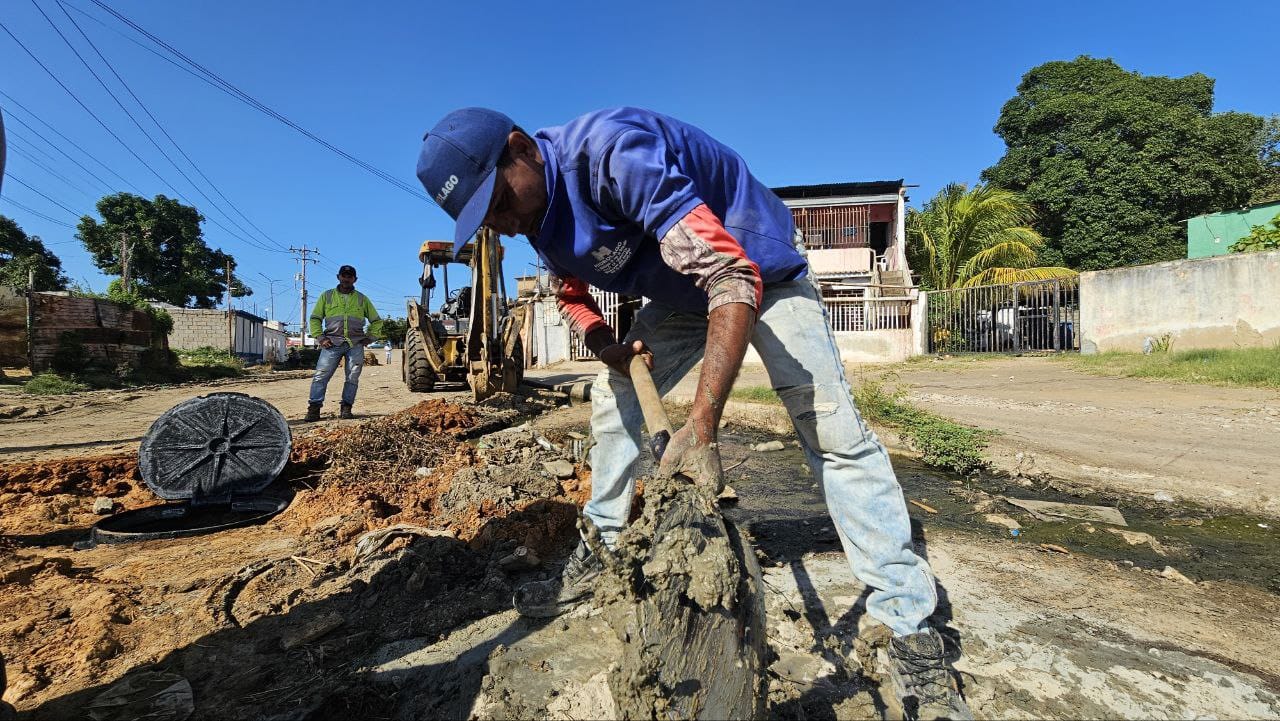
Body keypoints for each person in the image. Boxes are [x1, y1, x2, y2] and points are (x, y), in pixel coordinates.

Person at [416, 107, 972, 719]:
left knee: (831, 428)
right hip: (683, 297)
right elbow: (569, 292)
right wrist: (605, 344)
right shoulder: (537, 217)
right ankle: (602, 547)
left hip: (763, 271)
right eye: (487, 220)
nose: (504, 224)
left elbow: (732, 274)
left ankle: (909, 625)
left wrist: (703, 425)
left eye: (499, 202)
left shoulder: (611, 157)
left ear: (522, 149)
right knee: (615, 400)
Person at [305, 265, 383, 421]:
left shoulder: (362, 299)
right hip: (331, 343)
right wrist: (321, 338)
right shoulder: (326, 296)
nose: (346, 279)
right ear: (338, 277)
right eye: (344, 276)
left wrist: (370, 338)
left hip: (355, 344)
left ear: (355, 279)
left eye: (350, 276)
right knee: (321, 375)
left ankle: (346, 408)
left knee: (352, 377)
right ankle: (314, 409)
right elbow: (315, 319)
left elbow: (376, 321)